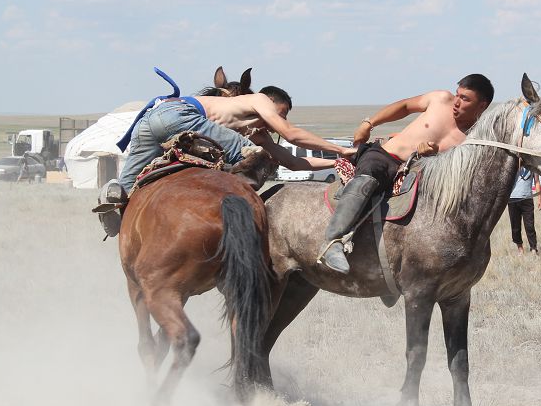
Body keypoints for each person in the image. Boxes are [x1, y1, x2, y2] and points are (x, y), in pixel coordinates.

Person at [97, 83, 356, 236]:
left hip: (149, 121)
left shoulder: (257, 134)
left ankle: (111, 194)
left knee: (128, 191)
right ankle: (236, 213)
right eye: (282, 112)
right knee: (253, 156)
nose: (282, 120)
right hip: (181, 115)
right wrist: (342, 150)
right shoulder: (259, 99)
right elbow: (291, 135)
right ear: (272, 101)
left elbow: (294, 163)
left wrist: (334, 162)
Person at [318, 74, 495, 273]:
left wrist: (430, 157)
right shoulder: (440, 99)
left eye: (465, 99)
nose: (456, 102)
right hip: (386, 158)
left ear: (482, 105)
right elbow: (404, 107)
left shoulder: (472, 140)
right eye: (458, 94)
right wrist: (369, 123)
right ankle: (332, 242)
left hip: (418, 174)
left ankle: (395, 267)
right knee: (367, 179)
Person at [508, 167, 541, 255]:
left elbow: (537, 182)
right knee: (515, 227)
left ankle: (533, 248)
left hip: (527, 199)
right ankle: (520, 248)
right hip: (513, 199)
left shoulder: (532, 167)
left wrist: (540, 198)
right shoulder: (513, 166)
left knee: (530, 225)